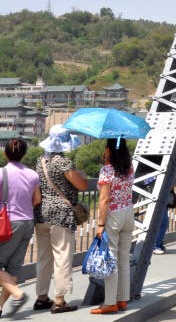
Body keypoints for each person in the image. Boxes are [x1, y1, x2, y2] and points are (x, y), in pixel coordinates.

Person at [34, 125, 88, 314]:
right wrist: (82, 175)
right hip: (61, 215)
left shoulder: (39, 161)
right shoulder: (62, 162)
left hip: (41, 213)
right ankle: (59, 300)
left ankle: (41, 297)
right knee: (62, 257)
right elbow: (81, 185)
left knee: (43, 258)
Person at [91, 138, 135, 315]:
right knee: (124, 259)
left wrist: (100, 224)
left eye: (106, 148)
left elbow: (104, 199)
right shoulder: (129, 168)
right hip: (128, 214)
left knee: (111, 259)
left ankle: (109, 302)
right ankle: (122, 299)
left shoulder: (107, 170)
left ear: (109, 150)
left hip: (114, 216)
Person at [0, 139, 41, 316]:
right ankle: (0, 307)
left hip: (8, 224)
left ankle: (18, 293)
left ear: (5, 153)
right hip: (27, 223)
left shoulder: (2, 173)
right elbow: (37, 200)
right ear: (24, 154)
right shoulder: (32, 174)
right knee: (13, 268)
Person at [153, 186, 176, 255]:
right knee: (162, 225)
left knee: (164, 224)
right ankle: (156, 246)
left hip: (163, 199)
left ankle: (159, 245)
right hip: (160, 199)